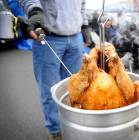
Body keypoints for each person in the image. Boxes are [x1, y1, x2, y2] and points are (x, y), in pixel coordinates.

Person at [19, 0, 88, 140]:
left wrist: (85, 24)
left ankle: (74, 127)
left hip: (75, 37)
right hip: (48, 37)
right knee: (50, 89)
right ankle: (56, 131)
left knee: (75, 89)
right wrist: (34, 11)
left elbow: (82, 4)